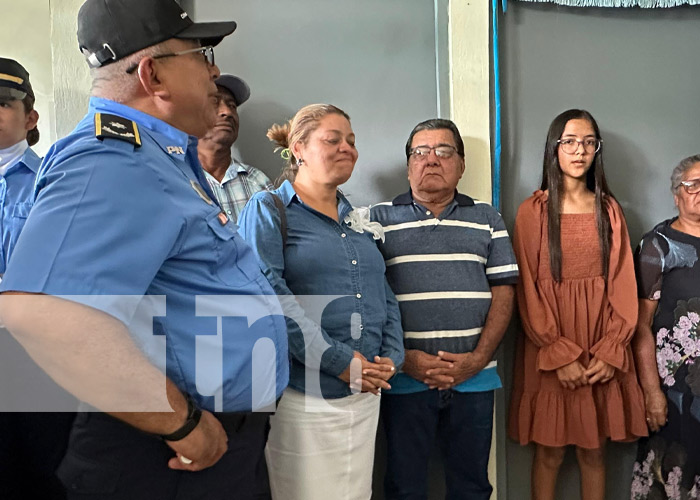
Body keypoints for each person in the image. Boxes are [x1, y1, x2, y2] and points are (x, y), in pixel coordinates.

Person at [0, 1, 288, 499]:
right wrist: (183, 425)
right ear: (153, 75)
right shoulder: (112, 158)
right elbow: (43, 316)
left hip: (209, 444)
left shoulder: (160, 156)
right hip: (165, 456)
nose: (214, 70)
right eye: (201, 54)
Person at [237, 104, 404, 500]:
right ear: (299, 148)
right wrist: (339, 362)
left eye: (352, 141)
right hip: (304, 397)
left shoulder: (357, 219)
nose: (347, 148)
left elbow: (384, 292)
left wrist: (391, 357)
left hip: (365, 394)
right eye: (333, 139)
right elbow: (269, 299)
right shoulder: (268, 210)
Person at [370, 118, 518, 500]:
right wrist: (405, 359)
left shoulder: (487, 217)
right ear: (408, 166)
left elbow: (504, 291)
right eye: (420, 152)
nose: (431, 159)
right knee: (404, 487)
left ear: (461, 164)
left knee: (472, 487)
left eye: (443, 151)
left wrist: (477, 359)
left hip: (476, 378)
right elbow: (367, 299)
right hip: (403, 378)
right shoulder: (376, 221)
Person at [508, 109, 647, 500]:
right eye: (569, 141)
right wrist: (557, 352)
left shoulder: (609, 210)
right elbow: (528, 290)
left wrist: (611, 349)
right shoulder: (532, 211)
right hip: (551, 346)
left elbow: (622, 283)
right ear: (554, 148)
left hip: (600, 344)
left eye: (588, 142)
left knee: (594, 451)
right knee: (549, 453)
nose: (579, 150)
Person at [0, 57, 76, 500]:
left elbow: (60, 268)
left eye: (3, 102)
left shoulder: (56, 180)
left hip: (35, 350)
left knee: (42, 470)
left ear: (30, 117)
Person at [630, 154, 700, 499]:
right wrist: (651, 392)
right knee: (674, 481)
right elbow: (640, 326)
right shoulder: (657, 245)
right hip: (676, 395)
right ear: (677, 194)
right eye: (693, 185)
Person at [198, 74, 273, 222]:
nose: (227, 112)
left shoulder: (258, 181)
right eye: (214, 102)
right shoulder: (179, 181)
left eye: (232, 105)